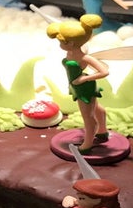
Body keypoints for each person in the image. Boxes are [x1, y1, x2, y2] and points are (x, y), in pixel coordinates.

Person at [47, 14, 110, 152]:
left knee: (88, 117)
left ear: (70, 43)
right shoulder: (72, 53)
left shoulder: (84, 57)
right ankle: (102, 131)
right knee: (96, 107)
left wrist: (84, 79)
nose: (60, 45)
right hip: (75, 85)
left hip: (84, 87)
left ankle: (87, 144)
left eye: (61, 42)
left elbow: (104, 72)